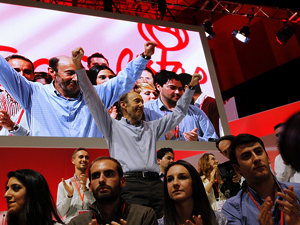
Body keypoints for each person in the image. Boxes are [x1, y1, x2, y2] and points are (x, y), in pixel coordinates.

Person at [72, 46, 201, 218]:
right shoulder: (112, 126)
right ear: (123, 105)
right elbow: (91, 97)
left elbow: (179, 113)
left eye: (142, 101)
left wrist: (191, 88)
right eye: (136, 101)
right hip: (130, 184)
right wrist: (78, 66)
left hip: (156, 183)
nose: (141, 104)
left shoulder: (152, 127)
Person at [0, 41, 153, 137]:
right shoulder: (34, 93)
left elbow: (124, 80)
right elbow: (5, 72)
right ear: (52, 72)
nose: (76, 78)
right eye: (69, 73)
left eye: (79, 73)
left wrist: (144, 57)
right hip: (47, 161)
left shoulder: (96, 96)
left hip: (89, 165)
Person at [222, 133, 300, 225]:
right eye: (246, 156)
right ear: (237, 169)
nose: (256, 158)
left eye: (258, 152)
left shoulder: (297, 192)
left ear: (268, 158)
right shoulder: (233, 209)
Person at [68, 156, 158, 225]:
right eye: (96, 176)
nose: (101, 180)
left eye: (109, 174)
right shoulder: (77, 223)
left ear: (122, 181)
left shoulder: (144, 216)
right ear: (90, 187)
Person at [144, 70, 218, 141]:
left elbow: (213, 139)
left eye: (180, 89)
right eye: (172, 88)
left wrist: (198, 140)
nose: (177, 92)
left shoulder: (196, 112)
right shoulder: (146, 109)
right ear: (158, 86)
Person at [158, 160, 228, 225]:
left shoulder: (219, 219)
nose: (175, 183)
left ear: (194, 182)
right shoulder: (160, 223)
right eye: (170, 179)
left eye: (182, 177)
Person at [57, 147, 95, 223]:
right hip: (71, 222)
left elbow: (99, 207)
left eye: (86, 158)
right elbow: (60, 213)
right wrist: (69, 196)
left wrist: (86, 191)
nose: (84, 160)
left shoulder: (93, 183)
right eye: (81, 157)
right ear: (73, 161)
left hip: (90, 222)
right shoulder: (64, 184)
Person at [0, 54, 34, 136]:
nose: (21, 75)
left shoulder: (40, 102)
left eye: (27, 72)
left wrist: (12, 126)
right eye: (15, 71)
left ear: (33, 76)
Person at [181, 72, 221, 137]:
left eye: (179, 89)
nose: (176, 93)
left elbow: (217, 133)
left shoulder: (212, 104)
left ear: (186, 88)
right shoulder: (188, 109)